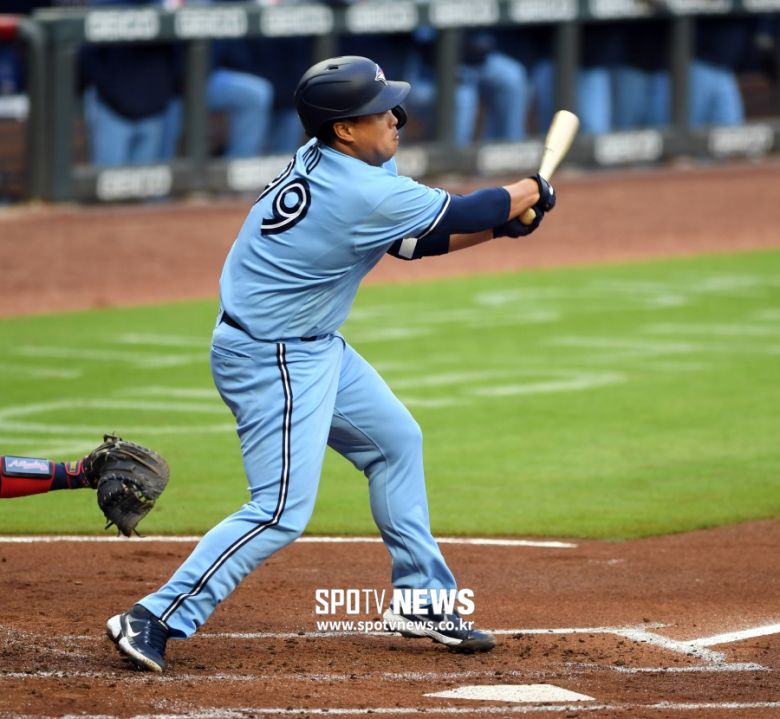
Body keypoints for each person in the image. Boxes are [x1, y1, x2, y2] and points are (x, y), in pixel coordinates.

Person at [104, 55, 556, 673]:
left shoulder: (337, 161)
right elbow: (461, 212)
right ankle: (154, 615)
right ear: (344, 128)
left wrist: (501, 230)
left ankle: (422, 601)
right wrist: (531, 191)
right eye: (381, 110)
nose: (397, 117)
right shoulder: (358, 188)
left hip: (310, 346)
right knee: (280, 510)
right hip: (273, 358)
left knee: (395, 442)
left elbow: (411, 243)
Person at [79, 0, 182, 166]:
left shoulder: (165, 6)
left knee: (147, 180)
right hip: (111, 110)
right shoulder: (104, 5)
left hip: (153, 110)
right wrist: (109, 91)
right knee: (109, 179)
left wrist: (162, 93)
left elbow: (178, 57)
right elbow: (87, 57)